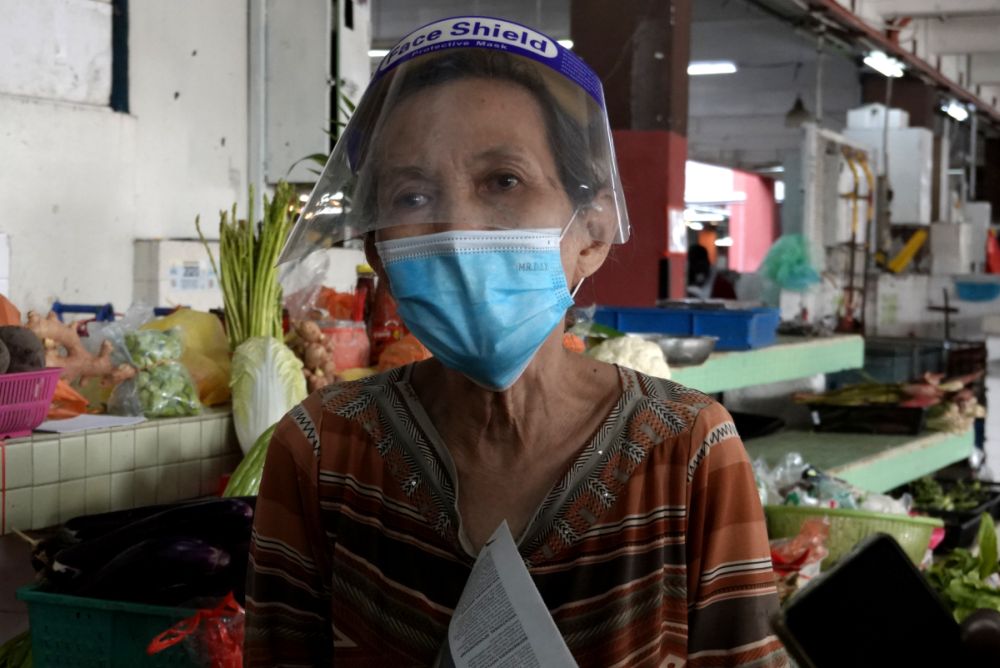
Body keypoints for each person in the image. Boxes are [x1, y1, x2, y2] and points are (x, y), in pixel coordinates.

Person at [246, 16, 786, 667]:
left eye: (504, 180)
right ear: (381, 256)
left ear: (591, 231)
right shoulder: (320, 451)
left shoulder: (690, 454)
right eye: (413, 194)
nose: (458, 227)